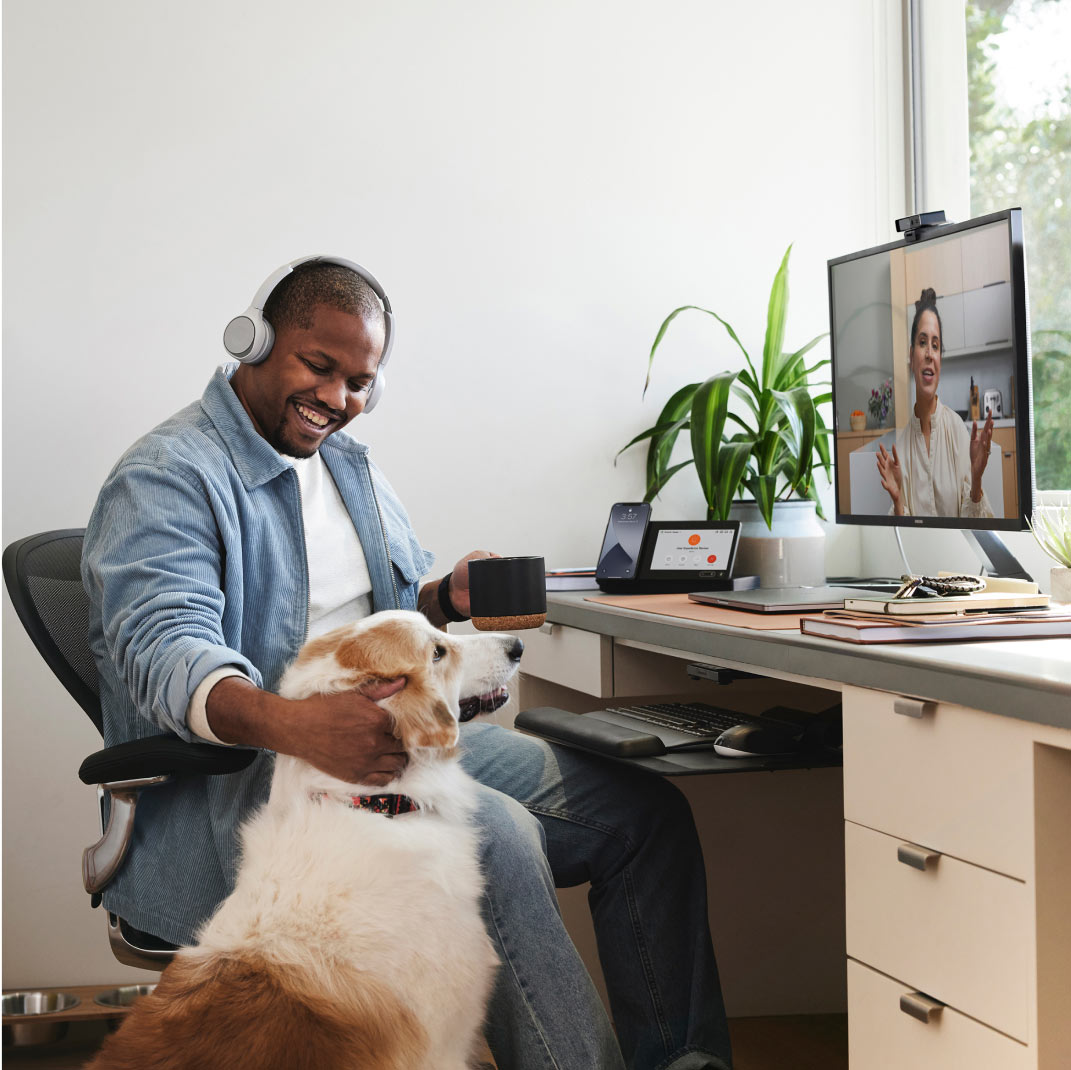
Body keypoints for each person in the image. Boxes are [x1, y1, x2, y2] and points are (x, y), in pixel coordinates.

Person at [82, 257, 733, 1070]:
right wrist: (298, 727)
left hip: (387, 748)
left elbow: (373, 619)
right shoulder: (168, 477)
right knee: (494, 836)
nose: (338, 400)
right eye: (319, 367)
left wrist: (441, 599)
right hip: (253, 780)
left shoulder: (349, 467)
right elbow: (163, 648)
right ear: (253, 340)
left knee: (641, 817)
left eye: (360, 382)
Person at [876, 287, 995, 518]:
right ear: (911, 356)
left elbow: (975, 531)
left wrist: (977, 479)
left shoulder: (959, 432)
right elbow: (905, 541)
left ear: (940, 358)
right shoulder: (901, 450)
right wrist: (898, 500)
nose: (929, 353)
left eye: (935, 345)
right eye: (922, 343)